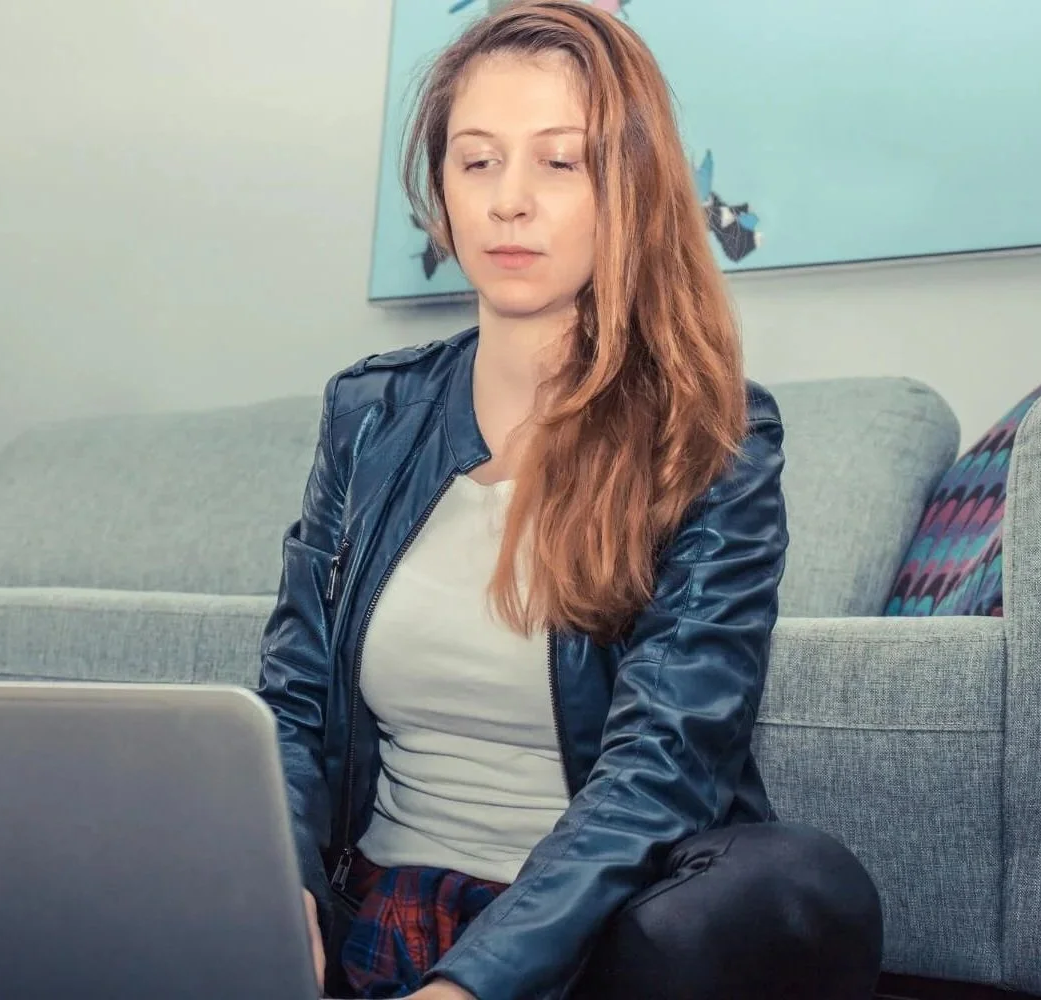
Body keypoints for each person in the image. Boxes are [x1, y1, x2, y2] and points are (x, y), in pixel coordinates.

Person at [255, 2, 884, 999]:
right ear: (441, 191)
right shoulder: (367, 414)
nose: (511, 201)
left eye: (561, 162)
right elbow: (289, 707)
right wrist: (274, 885)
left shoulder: (713, 436)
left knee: (795, 883)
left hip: (589, 943)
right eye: (477, 161)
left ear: (625, 189)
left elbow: (662, 767)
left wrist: (471, 986)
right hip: (376, 915)